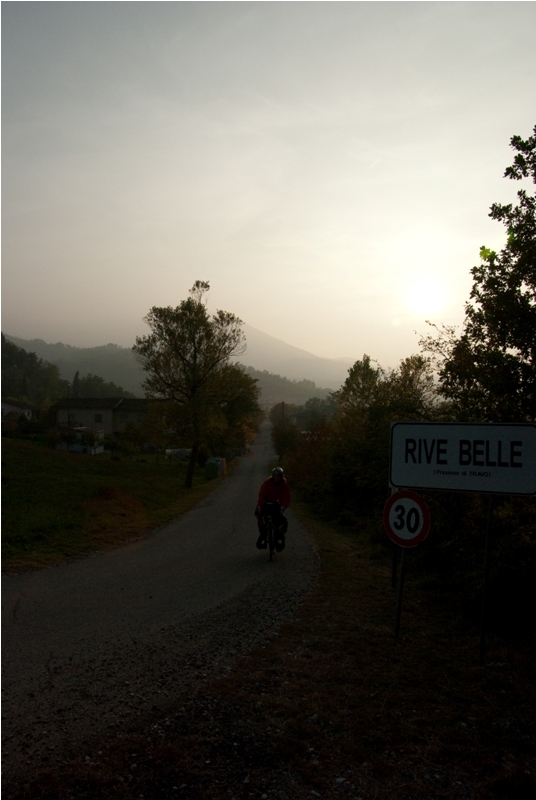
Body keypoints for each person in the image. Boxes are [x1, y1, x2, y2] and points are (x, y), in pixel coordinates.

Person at [255, 466, 291, 551]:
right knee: (258, 514)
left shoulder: (284, 485)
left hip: (277, 505)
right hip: (266, 504)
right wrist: (260, 505)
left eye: (278, 476)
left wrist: (283, 506)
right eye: (275, 476)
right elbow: (262, 495)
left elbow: (287, 497)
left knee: (279, 521)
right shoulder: (267, 483)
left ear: (281, 476)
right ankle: (264, 529)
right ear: (273, 476)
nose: (277, 478)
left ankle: (278, 534)